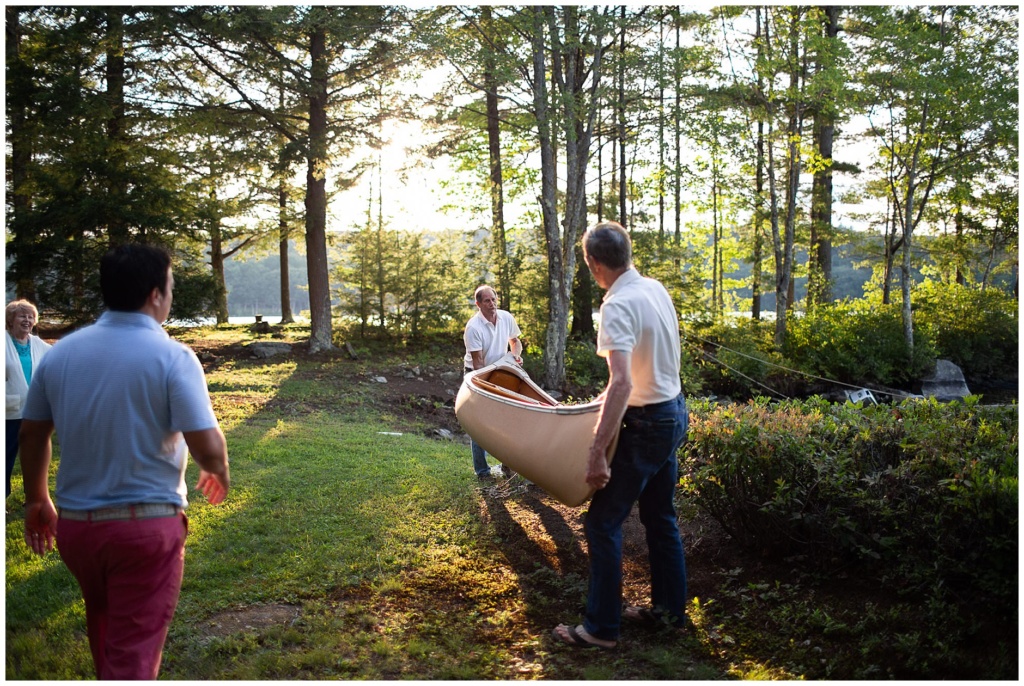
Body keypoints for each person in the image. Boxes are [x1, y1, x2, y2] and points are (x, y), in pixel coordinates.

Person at [20, 243, 230, 680]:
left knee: (106, 626)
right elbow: (206, 442)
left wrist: (36, 498)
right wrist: (217, 467)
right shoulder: (173, 355)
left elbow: (32, 432)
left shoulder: (59, 354)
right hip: (144, 530)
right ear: (156, 294)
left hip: (78, 530)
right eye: (170, 287)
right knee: (133, 651)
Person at [552, 221, 689, 650]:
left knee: (601, 522)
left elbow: (623, 383)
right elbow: (646, 366)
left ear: (593, 264)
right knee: (660, 518)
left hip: (648, 423)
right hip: (673, 411)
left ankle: (601, 629)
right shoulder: (654, 288)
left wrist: (597, 451)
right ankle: (669, 612)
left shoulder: (616, 305)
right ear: (627, 253)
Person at [463, 284, 523, 479]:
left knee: (507, 419)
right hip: (478, 374)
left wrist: (514, 357)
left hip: (503, 370)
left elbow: (516, 342)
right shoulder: (473, 328)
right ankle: (482, 472)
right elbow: (478, 363)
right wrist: (490, 390)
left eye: (494, 299)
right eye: (487, 300)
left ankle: (507, 466)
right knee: (479, 423)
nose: (492, 303)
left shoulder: (506, 317)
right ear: (478, 304)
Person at [5, 299, 52, 501]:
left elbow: (57, 363)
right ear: (11, 320)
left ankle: (33, 498)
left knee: (34, 459)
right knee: (5, 460)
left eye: (31, 316)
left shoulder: (39, 345)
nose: (27, 320)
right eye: (22, 316)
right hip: (8, 413)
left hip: (34, 413)